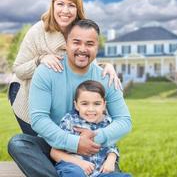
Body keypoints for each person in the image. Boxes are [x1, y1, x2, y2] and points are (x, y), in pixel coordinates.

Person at [8, 19, 132, 177]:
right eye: (76, 42)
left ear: (97, 47)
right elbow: (38, 119)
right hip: (54, 145)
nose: (82, 49)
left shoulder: (106, 77)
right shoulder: (46, 72)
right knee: (18, 144)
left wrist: (94, 138)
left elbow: (124, 121)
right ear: (66, 44)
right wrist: (74, 143)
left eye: (89, 44)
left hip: (94, 148)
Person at [8, 0, 121, 136]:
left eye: (71, 5)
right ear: (53, 5)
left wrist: (105, 65)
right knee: (41, 142)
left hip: (57, 96)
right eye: (60, 4)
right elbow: (18, 69)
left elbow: (85, 60)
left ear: (78, 8)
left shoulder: (81, 30)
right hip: (25, 91)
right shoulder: (38, 31)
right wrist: (40, 59)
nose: (65, 11)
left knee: (61, 141)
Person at [51, 80, 131, 177]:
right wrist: (80, 163)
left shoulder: (107, 123)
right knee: (74, 173)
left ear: (104, 105)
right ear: (76, 105)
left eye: (97, 104)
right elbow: (54, 152)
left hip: (99, 171)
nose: (91, 109)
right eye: (85, 104)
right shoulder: (69, 121)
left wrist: (111, 159)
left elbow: (112, 147)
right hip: (73, 167)